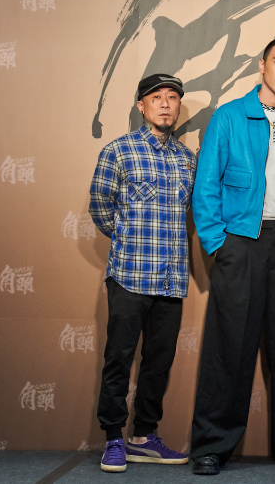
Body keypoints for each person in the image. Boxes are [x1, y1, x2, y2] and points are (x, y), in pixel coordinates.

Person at [189, 38, 275, 476]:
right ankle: (212, 445)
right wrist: (218, 243)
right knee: (229, 344)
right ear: (262, 65)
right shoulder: (229, 116)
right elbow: (206, 184)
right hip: (242, 241)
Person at [89, 74, 196, 473]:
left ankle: (144, 437)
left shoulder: (187, 159)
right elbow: (101, 207)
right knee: (118, 358)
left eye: (172, 98)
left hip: (171, 279)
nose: (165, 104)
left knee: (158, 361)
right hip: (129, 276)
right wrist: (129, 241)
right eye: (156, 98)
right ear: (141, 106)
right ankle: (113, 439)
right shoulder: (118, 152)